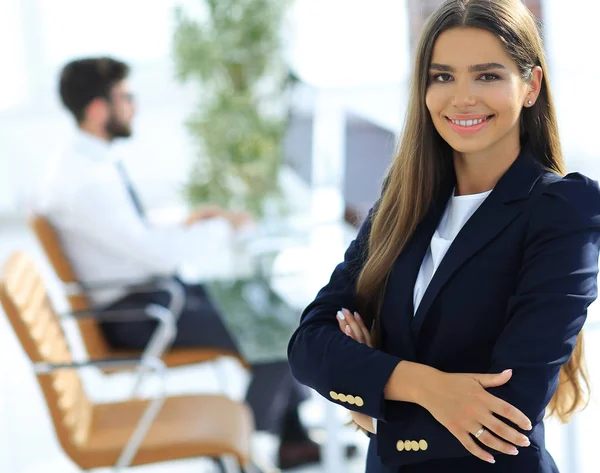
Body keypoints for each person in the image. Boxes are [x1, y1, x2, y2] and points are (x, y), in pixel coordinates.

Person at [288, 0, 600, 472]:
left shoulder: (563, 208)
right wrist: (421, 386)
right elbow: (309, 345)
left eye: (488, 75)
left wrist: (374, 403)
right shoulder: (404, 199)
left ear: (531, 85)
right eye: (442, 76)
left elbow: (510, 412)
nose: (463, 97)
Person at [37, 56, 351, 469]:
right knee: (282, 335)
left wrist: (190, 222)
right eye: (126, 98)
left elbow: (129, 234)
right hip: (139, 312)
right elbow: (157, 252)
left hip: (151, 290)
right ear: (99, 109)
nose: (135, 106)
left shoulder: (87, 162)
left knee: (272, 308)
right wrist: (228, 229)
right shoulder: (85, 182)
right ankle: (243, 443)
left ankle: (291, 439)